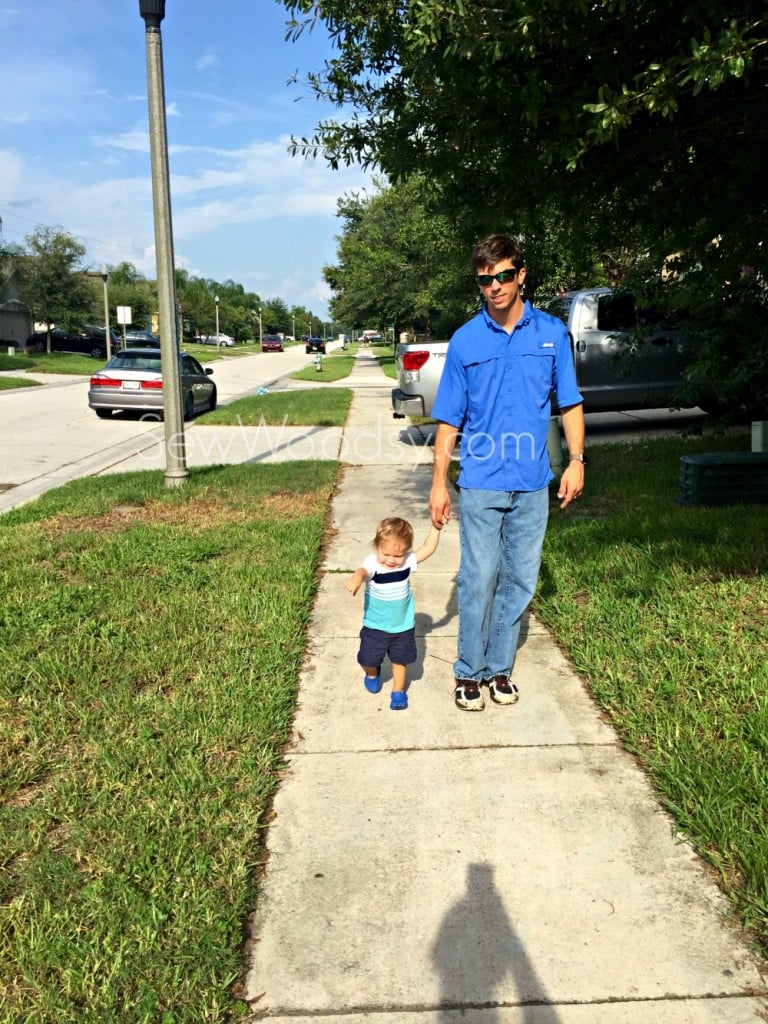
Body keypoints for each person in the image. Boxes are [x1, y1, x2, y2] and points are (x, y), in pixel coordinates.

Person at [429, 234, 585, 711]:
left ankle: (498, 669)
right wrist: (438, 482)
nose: (493, 286)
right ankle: (467, 673)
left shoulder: (552, 333)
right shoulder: (465, 340)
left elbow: (570, 402)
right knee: (478, 577)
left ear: (520, 275)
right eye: (484, 280)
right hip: (480, 481)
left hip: (533, 481)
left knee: (519, 578)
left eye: (501, 276)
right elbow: (449, 419)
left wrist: (576, 461)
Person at [345, 516, 442, 710]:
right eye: (386, 554)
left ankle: (398, 692)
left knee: (400, 660)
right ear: (377, 547)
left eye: (397, 556)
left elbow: (427, 548)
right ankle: (372, 673)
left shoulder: (407, 562)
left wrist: (436, 527)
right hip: (375, 627)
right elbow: (363, 571)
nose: (391, 560)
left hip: (402, 627)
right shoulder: (373, 563)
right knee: (367, 659)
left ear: (405, 552)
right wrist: (356, 578)